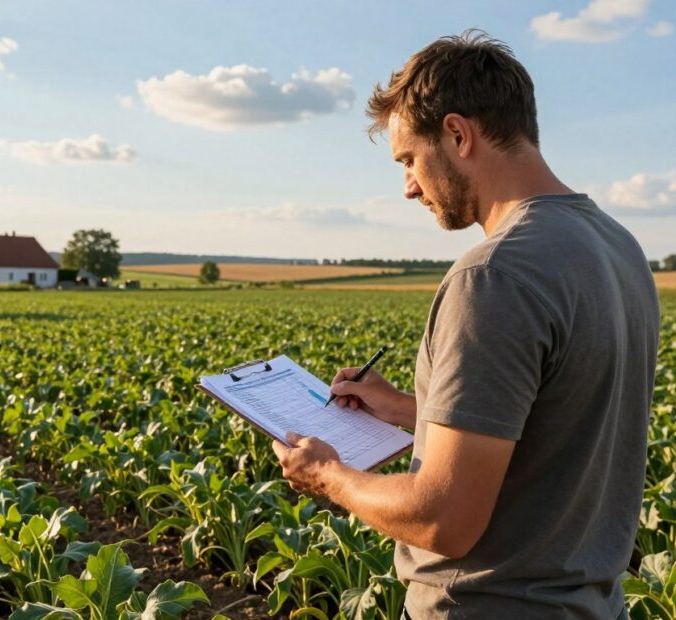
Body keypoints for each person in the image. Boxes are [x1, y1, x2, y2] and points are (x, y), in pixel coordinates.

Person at [272, 30, 660, 619]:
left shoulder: (495, 274)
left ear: (457, 134)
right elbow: (552, 420)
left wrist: (327, 474)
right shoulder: (616, 246)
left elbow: (443, 519)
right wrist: (406, 409)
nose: (408, 186)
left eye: (408, 159)